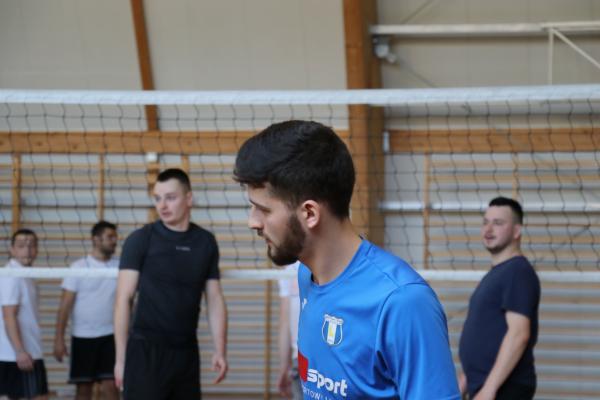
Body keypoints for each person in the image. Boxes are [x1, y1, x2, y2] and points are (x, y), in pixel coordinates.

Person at [234, 120, 460, 399]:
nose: (253, 222)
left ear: (309, 213)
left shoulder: (403, 302)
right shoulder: (307, 274)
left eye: (263, 210)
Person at [114, 168, 228, 400]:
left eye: (170, 197)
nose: (162, 205)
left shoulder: (205, 242)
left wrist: (220, 349)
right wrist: (121, 359)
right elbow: (123, 300)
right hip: (145, 352)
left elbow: (214, 299)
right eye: (157, 198)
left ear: (189, 198)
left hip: (186, 352)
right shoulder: (140, 239)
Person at [458, 197, 540, 400]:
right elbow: (486, 336)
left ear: (517, 231)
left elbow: (519, 333)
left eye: (498, 223)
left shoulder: (518, 271)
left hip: (503, 390)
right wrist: (464, 383)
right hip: (483, 387)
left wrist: (489, 389)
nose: (488, 229)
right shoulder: (497, 273)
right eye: (485, 222)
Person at [53, 221, 120, 400]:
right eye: (110, 237)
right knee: (83, 389)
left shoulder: (120, 266)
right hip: (83, 337)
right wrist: (59, 339)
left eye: (115, 237)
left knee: (111, 386)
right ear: (96, 239)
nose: (114, 241)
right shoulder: (79, 267)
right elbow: (64, 307)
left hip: (110, 336)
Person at [0, 229, 48, 400]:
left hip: (27, 352)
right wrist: (20, 351)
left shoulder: (25, 275)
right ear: (12, 250)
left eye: (32, 245)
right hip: (19, 355)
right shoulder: (12, 276)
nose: (27, 250)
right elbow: (9, 315)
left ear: (37, 249)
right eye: (21, 246)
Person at [277, 262, 302, 399]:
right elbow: (285, 322)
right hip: (299, 359)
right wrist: (284, 368)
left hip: (327, 359)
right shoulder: (290, 269)